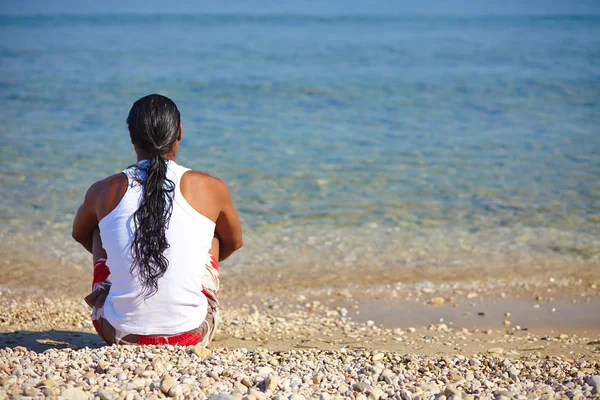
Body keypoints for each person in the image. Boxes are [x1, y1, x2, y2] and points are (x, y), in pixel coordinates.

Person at [72, 94, 243, 346]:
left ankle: (121, 293)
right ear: (180, 132)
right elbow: (234, 242)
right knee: (213, 234)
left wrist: (121, 255)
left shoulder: (102, 190)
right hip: (191, 334)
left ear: (131, 137)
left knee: (99, 229)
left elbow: (80, 233)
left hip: (118, 333)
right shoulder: (211, 186)